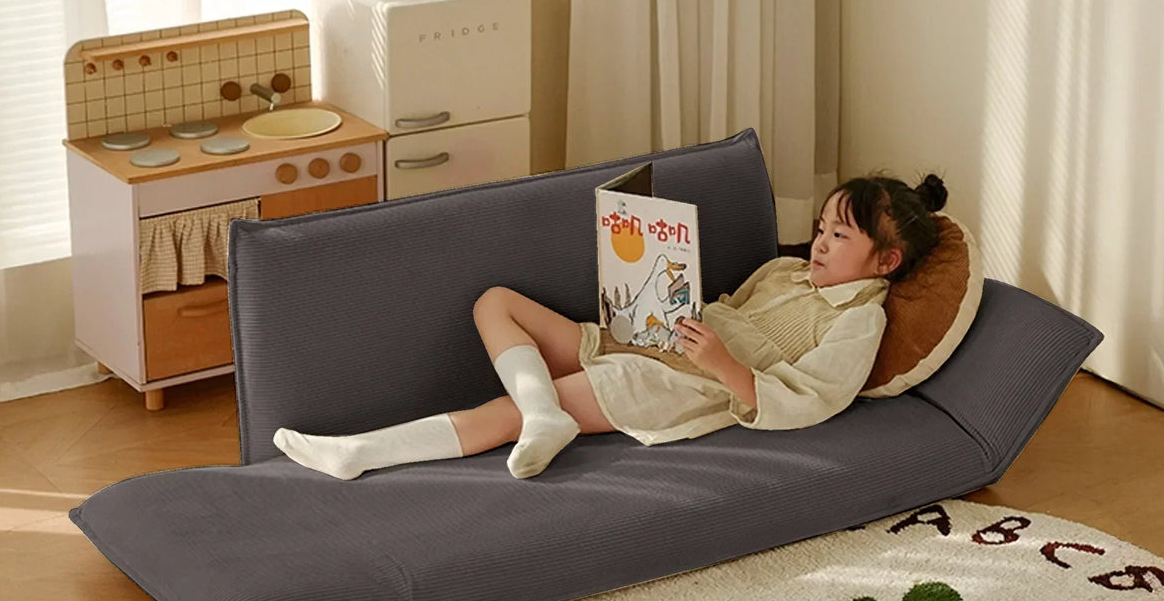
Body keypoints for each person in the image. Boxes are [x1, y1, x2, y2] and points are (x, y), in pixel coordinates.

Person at [273, 170, 947, 481]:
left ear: (885, 262)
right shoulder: (783, 271)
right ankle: (547, 415)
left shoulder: (860, 323)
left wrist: (722, 366)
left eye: (840, 237)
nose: (820, 243)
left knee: (499, 412)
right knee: (496, 303)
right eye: (823, 228)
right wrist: (654, 294)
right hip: (656, 341)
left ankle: (360, 455)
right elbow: (718, 313)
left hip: (685, 387)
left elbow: (812, 399)